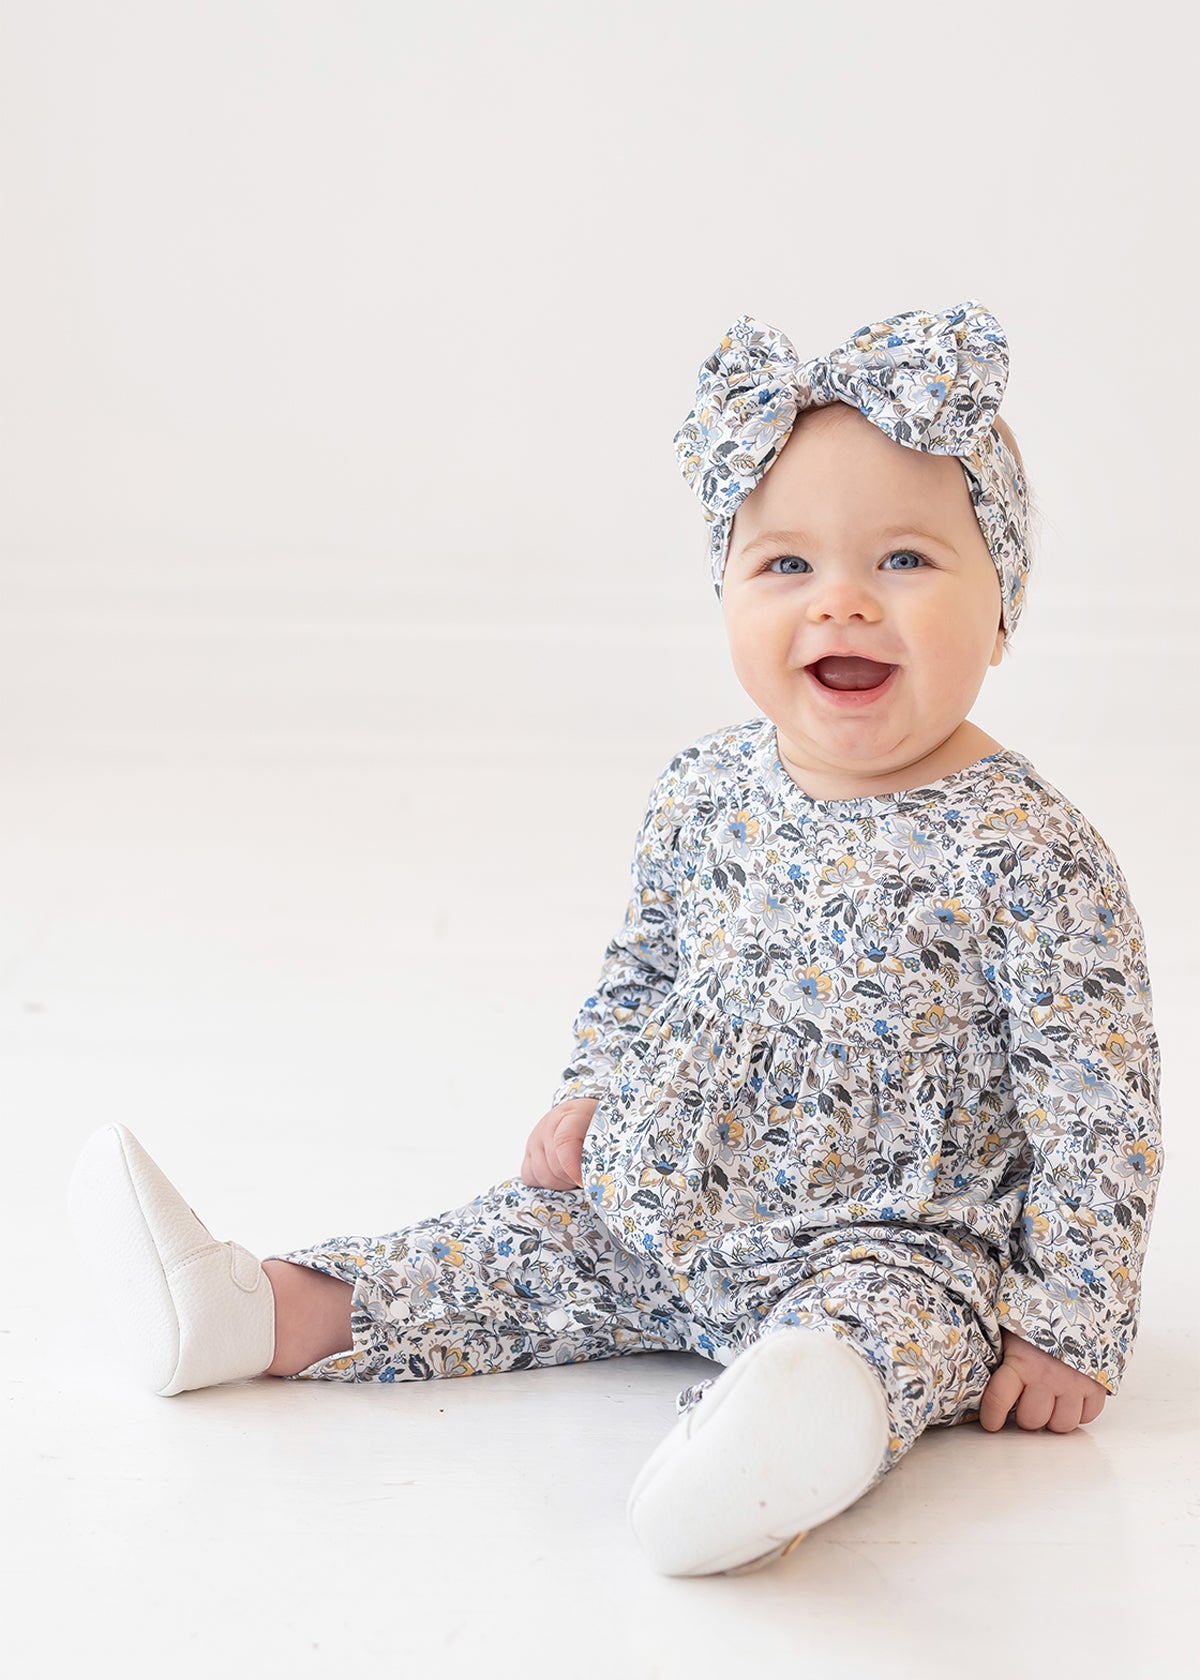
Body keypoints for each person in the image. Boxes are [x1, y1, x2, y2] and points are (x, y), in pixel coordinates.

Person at [66, 299, 1165, 1579]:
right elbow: (643, 970)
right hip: (660, 1201)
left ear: (1004, 606)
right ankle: (257, 1310)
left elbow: (1100, 1107)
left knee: (887, 1334)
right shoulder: (704, 790)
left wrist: (1070, 1325)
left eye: (908, 562)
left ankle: (771, 1447)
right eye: (787, 566)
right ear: (727, 592)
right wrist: (591, 1091)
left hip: (897, 1232)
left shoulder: (1027, 849)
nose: (845, 604)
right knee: (495, 1251)